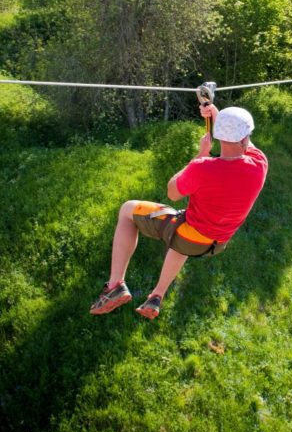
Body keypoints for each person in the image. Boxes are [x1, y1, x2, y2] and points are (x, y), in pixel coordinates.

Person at [90, 101, 268, 320]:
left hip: (189, 235)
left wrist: (201, 155)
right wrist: (216, 115)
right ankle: (156, 296)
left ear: (219, 136)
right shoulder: (259, 165)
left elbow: (172, 192)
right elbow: (243, 143)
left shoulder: (203, 167)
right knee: (184, 230)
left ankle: (115, 285)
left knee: (128, 210)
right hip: (216, 243)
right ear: (245, 138)